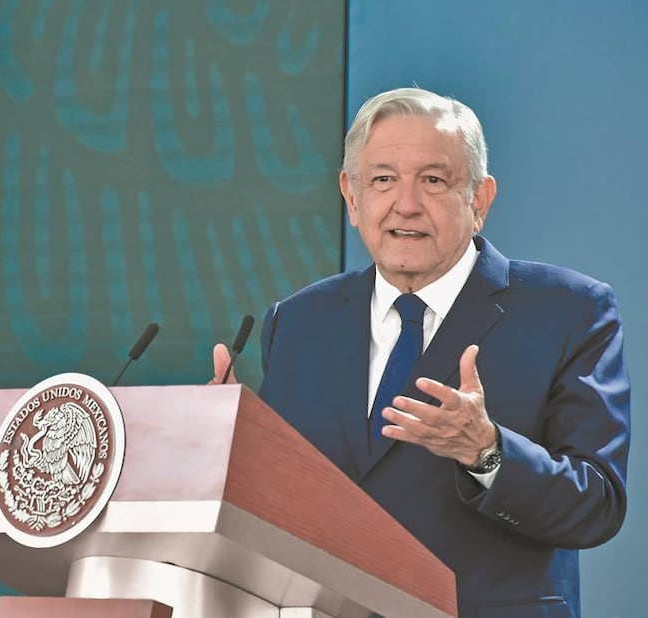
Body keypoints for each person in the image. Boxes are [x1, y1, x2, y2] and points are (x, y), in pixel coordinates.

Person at [213, 87, 630, 616]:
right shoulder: (297, 322)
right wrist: (229, 440)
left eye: (433, 180)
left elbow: (597, 506)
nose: (405, 204)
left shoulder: (569, 310)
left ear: (479, 200)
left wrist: (487, 452)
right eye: (382, 179)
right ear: (351, 197)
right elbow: (287, 502)